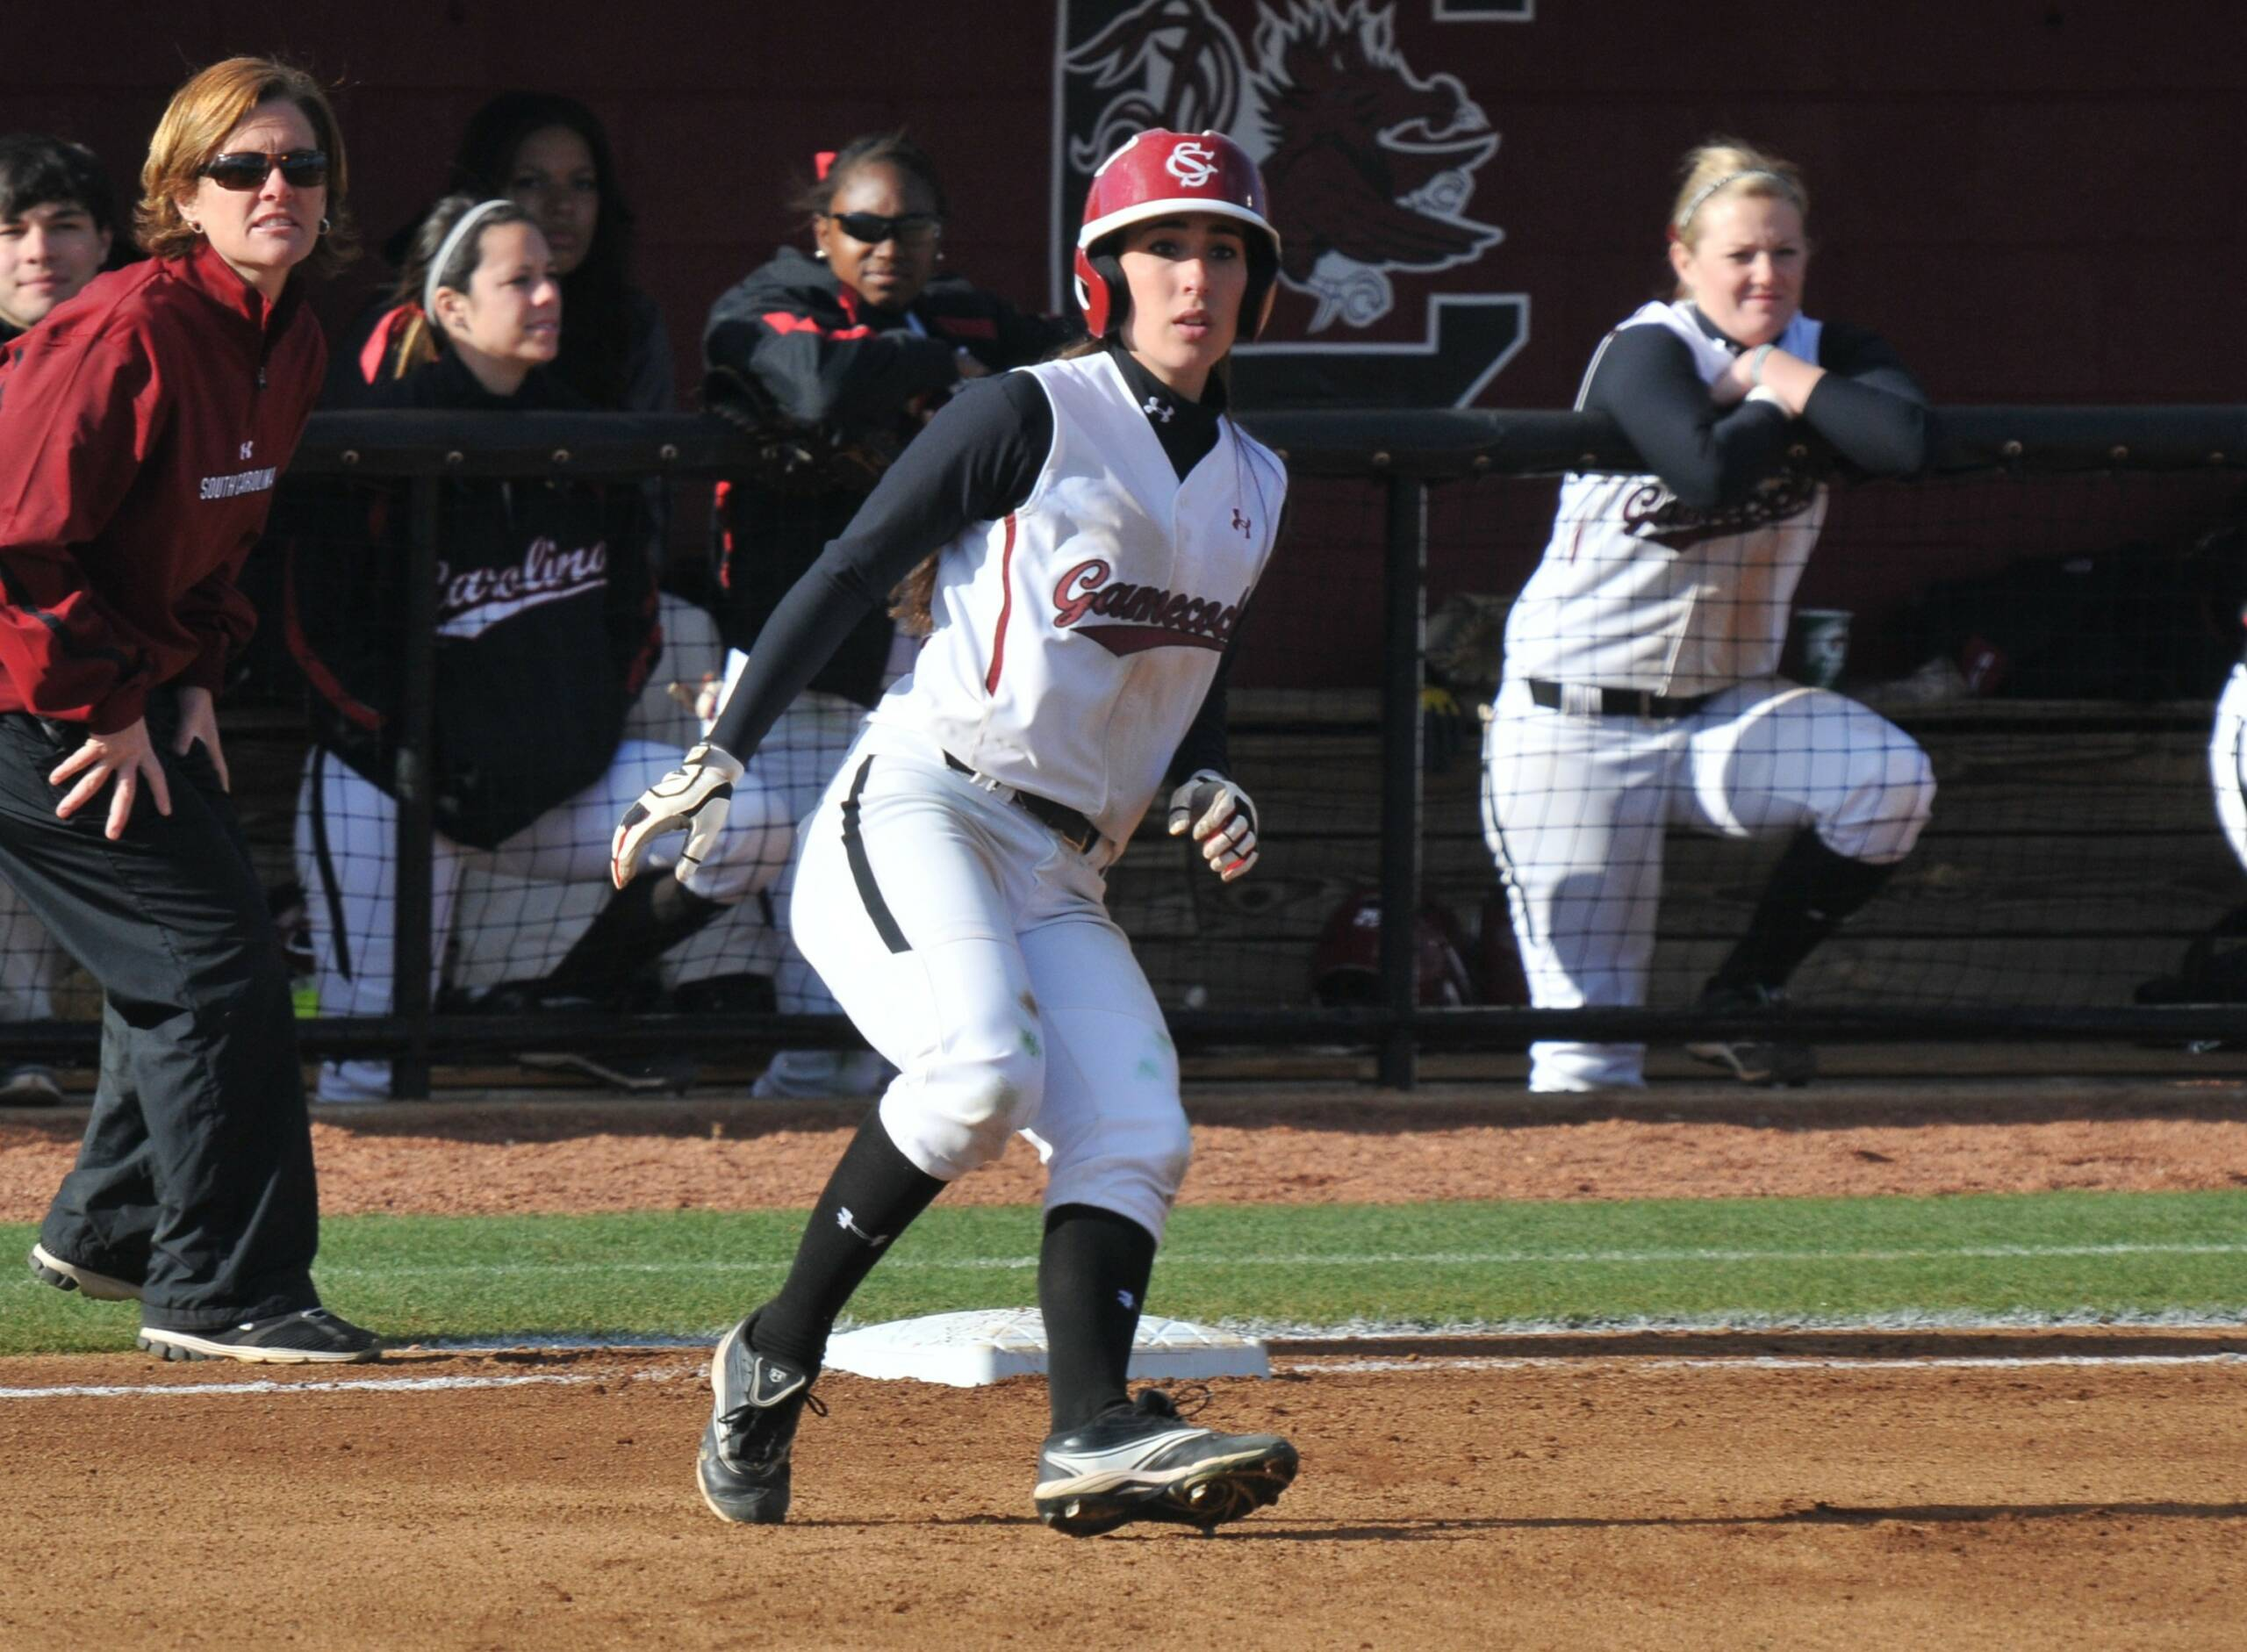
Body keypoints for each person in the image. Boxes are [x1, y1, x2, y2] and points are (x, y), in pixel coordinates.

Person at [614, 128, 1297, 1535]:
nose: (1197, 274)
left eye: (1226, 248)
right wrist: (723, 748)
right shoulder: (1028, 413)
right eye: (1165, 246)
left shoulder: (1255, 480)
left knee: (1139, 1129)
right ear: (1103, 275)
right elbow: (856, 562)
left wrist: (1209, 778)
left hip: (1069, 862)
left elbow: (1188, 665)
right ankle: (775, 1348)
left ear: (1258, 285)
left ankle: (1090, 1431)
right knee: (983, 1068)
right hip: (924, 798)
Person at [0, 56, 379, 1361]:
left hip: (121, 685)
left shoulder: (293, 335)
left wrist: (197, 681)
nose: (279, 186)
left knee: (191, 950)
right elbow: (14, 543)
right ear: (180, 192)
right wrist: (112, 703)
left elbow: (220, 545)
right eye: (244, 166)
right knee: (215, 968)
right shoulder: (127, 326)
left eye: (302, 164)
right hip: (30, 692)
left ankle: (110, 1227)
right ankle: (225, 1289)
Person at [286, 195, 789, 1103]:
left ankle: (568, 994)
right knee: (369, 1067)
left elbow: (631, 608)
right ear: (453, 307)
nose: (546, 293)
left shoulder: (580, 432)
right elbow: (313, 631)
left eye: (549, 275)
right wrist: (406, 750)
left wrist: (582, 720)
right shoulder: (377, 434)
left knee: (748, 820)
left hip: (554, 789)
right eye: (518, 279)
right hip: (390, 795)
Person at [1483, 138, 1936, 1095]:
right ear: (1684, 260)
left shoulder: (1829, 349)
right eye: (1740, 254)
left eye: (1784, 251)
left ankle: (1744, 991)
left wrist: (1773, 373)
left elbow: (1901, 440)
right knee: (1589, 1061)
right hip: (1573, 727)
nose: (1765, 272)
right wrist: (1785, 396)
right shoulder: (1648, 346)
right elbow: (1703, 470)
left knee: (1887, 778)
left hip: (1720, 717)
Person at [700, 132, 1076, 1098]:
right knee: (732, 853)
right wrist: (938, 368)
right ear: (821, 229)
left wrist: (949, 365)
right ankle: (567, 998)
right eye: (862, 225)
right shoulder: (769, 301)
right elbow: (815, 384)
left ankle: (803, 1125)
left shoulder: (963, 315)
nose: (886, 245)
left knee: (835, 979)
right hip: (788, 673)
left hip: (901, 682)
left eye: (910, 226)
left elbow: (1078, 362)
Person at [0, 133, 124, 1104]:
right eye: (10, 229)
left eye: (63, 226)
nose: (37, 248)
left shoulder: (140, 360)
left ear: (106, 242)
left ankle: (29, 1049)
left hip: (89, 691)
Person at [338, 91, 670, 413]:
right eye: (531, 182)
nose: (563, 206)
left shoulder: (632, 323)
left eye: (582, 184)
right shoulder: (400, 326)